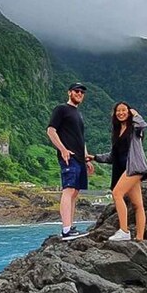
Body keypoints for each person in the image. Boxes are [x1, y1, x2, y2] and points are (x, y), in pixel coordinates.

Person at [88, 102, 147, 241]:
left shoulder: (134, 128)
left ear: (128, 112)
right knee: (137, 204)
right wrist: (95, 157)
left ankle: (124, 231)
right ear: (115, 113)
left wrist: (136, 114)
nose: (121, 113)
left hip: (134, 168)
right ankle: (140, 238)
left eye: (124, 110)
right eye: (118, 111)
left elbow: (143, 125)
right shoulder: (116, 131)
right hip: (122, 170)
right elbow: (112, 156)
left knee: (117, 193)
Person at [47, 82, 94, 240]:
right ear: (69, 92)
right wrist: (63, 149)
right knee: (68, 190)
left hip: (80, 158)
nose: (79, 94)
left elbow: (81, 139)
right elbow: (51, 130)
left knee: (75, 192)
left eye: (82, 92)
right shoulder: (61, 109)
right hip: (69, 157)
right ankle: (66, 229)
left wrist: (87, 158)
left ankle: (70, 226)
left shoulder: (78, 114)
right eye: (77, 91)